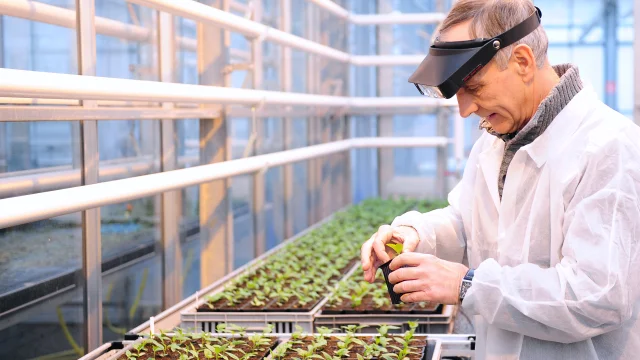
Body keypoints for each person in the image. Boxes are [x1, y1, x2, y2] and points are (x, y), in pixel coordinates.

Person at [360, 0, 640, 359]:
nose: (464, 110)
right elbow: (467, 221)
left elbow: (595, 296)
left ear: (522, 62)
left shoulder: (609, 148)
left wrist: (466, 286)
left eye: (473, 87)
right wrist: (416, 233)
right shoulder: (495, 142)